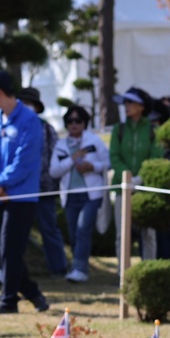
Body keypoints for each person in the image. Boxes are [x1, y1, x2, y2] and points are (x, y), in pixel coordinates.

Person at [0, 69, 49, 315]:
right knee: (6, 248)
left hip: (21, 196)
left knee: (10, 248)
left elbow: (25, 161)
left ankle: (8, 301)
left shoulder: (29, 120)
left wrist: (2, 183)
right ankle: (33, 293)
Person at [49, 105, 110, 283]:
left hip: (92, 195)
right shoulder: (61, 145)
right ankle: (79, 266)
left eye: (78, 121)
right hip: (69, 196)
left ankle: (79, 269)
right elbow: (54, 171)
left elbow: (107, 164)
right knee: (74, 232)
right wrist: (72, 159)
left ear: (84, 123)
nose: (74, 124)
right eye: (70, 121)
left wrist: (92, 167)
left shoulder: (94, 140)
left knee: (83, 230)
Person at [110, 86, 163, 262]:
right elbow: (114, 156)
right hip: (122, 189)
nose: (126, 105)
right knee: (121, 234)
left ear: (142, 106)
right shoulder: (119, 129)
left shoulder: (152, 130)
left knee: (148, 233)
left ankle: (148, 271)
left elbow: (156, 156)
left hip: (146, 188)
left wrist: (140, 178)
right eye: (125, 102)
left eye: (131, 102)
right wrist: (127, 178)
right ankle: (122, 274)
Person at [19, 87, 68, 278]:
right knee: (19, 233)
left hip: (43, 188)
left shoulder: (46, 127)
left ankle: (58, 267)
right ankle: (21, 271)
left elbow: (56, 155)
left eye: (29, 103)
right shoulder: (14, 125)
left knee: (49, 229)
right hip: (21, 189)